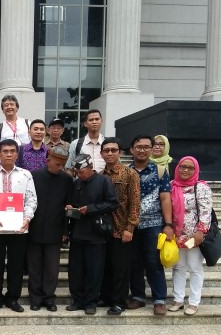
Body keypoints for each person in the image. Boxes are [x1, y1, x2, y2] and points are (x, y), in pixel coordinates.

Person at [0, 139, 37, 313]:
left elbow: (31, 199)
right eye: (5, 151)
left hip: (18, 228)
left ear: (17, 154)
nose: (9, 154)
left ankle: (13, 298)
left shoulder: (25, 175)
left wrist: (27, 218)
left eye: (12, 151)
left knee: (16, 265)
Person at [65, 154, 119, 314]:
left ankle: (90, 302)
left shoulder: (104, 181)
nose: (79, 175)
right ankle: (77, 300)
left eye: (81, 172)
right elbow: (73, 203)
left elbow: (113, 203)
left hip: (96, 234)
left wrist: (91, 209)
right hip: (77, 232)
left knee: (94, 270)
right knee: (75, 270)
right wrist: (70, 208)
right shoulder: (77, 183)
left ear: (90, 167)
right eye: (77, 173)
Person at [128, 134, 174, 316]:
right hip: (131, 225)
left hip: (154, 224)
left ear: (152, 149)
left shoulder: (160, 171)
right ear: (132, 150)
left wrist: (168, 224)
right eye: (139, 147)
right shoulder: (126, 171)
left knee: (153, 262)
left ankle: (159, 300)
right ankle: (138, 296)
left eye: (147, 147)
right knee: (134, 262)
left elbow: (165, 199)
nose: (142, 150)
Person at [27, 146, 73, 311]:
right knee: (34, 267)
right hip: (34, 228)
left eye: (63, 165)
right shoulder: (34, 176)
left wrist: (65, 231)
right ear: (48, 161)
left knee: (52, 268)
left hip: (55, 229)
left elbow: (68, 207)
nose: (60, 167)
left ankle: (49, 298)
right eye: (57, 164)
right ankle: (35, 298)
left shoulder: (67, 180)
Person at [99, 138, 140, 315]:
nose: (110, 153)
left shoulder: (130, 174)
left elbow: (135, 203)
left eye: (113, 150)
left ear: (120, 152)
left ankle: (118, 301)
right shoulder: (99, 176)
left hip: (121, 228)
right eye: (106, 150)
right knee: (105, 266)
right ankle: (106, 297)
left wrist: (129, 228)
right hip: (102, 230)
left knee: (120, 268)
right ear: (101, 154)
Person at [169, 156, 212, 316]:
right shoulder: (172, 185)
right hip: (177, 235)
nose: (185, 170)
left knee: (194, 267)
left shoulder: (200, 187)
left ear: (196, 170)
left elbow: (206, 211)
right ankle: (178, 300)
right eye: (182, 166)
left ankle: (194, 302)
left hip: (194, 236)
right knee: (178, 267)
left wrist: (201, 231)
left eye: (190, 167)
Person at [66, 109, 105, 173]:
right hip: (82, 179)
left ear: (101, 121)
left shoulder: (108, 143)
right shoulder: (76, 144)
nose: (94, 122)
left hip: (105, 179)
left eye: (97, 119)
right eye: (91, 120)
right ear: (85, 124)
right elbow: (69, 169)